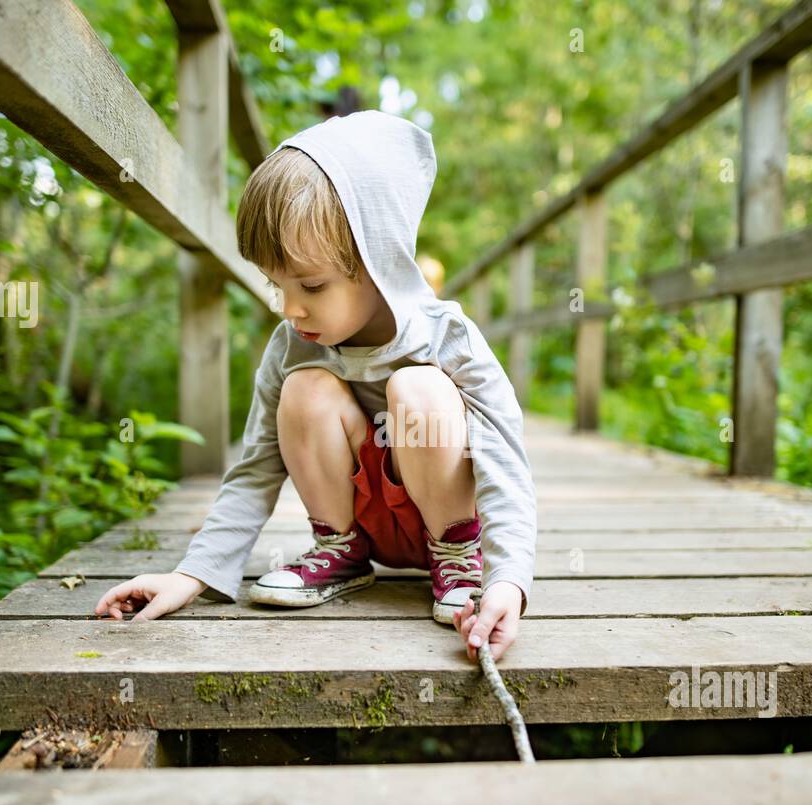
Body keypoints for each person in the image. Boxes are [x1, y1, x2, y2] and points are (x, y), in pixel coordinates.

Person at [94, 110, 536, 662]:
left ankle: (456, 559)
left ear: (378, 257)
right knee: (304, 389)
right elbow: (255, 466)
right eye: (275, 285)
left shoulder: (448, 339)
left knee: (417, 389)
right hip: (364, 521)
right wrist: (194, 574)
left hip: (445, 521)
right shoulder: (293, 344)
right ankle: (340, 553)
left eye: (310, 284)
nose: (290, 307)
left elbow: (504, 461)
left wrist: (508, 579)